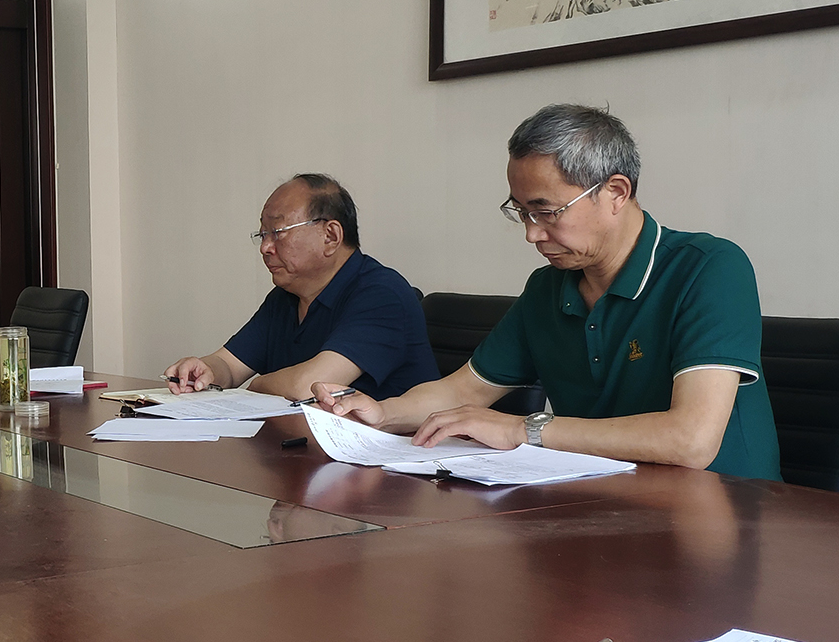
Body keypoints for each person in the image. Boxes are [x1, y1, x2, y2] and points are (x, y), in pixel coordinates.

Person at [317, 105, 780, 479]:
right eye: (521, 212)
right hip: (603, 503)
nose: (532, 234)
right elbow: (464, 390)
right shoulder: (548, 288)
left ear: (616, 192)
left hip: (724, 516)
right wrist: (381, 413)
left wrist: (523, 429)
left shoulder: (710, 268)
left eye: (547, 212)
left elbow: (691, 441)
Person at [164, 174, 438, 402]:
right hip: (300, 444)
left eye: (278, 233)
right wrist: (206, 370)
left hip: (386, 449)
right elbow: (230, 365)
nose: (265, 247)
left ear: (330, 236)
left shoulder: (383, 295)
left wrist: (256, 386)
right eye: (262, 234)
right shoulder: (286, 297)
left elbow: (308, 387)